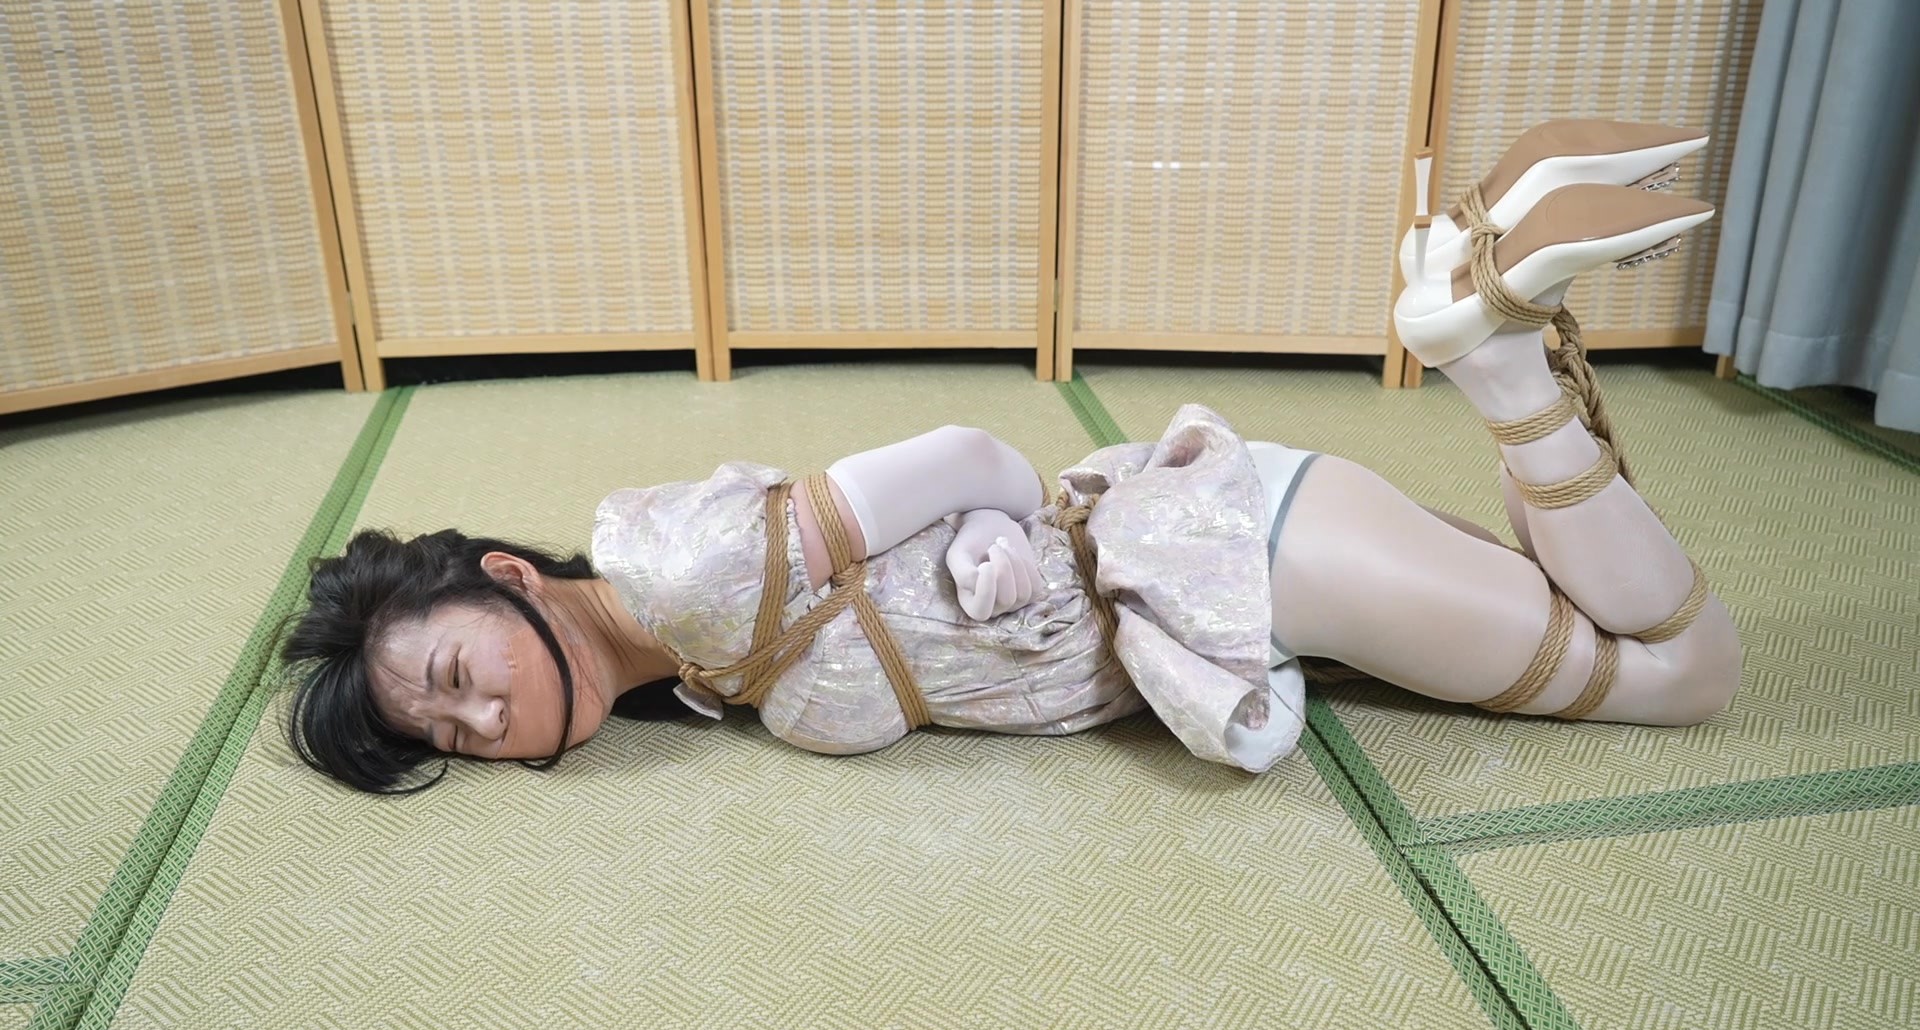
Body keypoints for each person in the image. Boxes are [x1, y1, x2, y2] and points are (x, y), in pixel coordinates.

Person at [281, 120, 1742, 795]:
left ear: (511, 577)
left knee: (1685, 676)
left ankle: (1496, 363)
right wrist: (980, 537)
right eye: (450, 736)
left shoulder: (678, 569)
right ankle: (1497, 290)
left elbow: (973, 448)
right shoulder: (697, 662)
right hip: (1229, 581)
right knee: (1604, 625)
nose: (483, 720)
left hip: (1223, 564)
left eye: (458, 674)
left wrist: (993, 516)